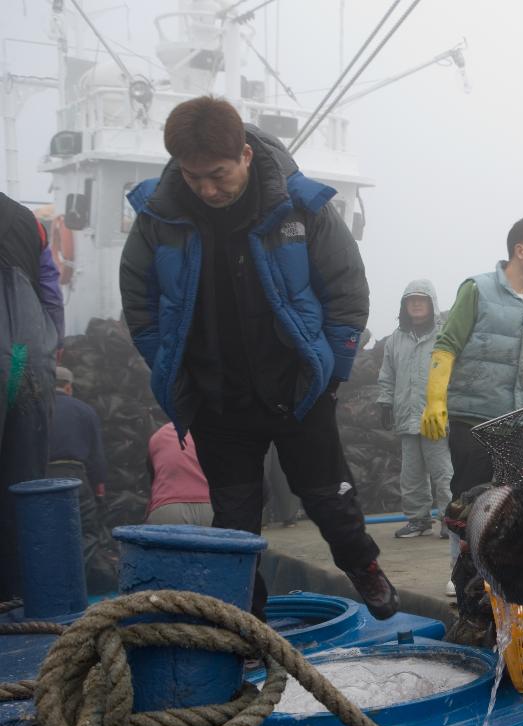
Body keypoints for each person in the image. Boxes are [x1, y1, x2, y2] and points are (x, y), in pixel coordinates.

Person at [118, 96, 398, 619]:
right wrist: (171, 367)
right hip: (217, 397)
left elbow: (347, 291)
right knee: (234, 520)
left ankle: (364, 568)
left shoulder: (300, 205)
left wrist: (332, 374)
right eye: (194, 177)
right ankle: (247, 622)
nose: (207, 189)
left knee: (329, 498)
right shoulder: (159, 216)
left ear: (245, 155)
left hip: (298, 388)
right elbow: (140, 303)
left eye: (218, 175)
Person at [420, 217, 523, 599]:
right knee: (468, 497)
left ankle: (500, 575)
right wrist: (435, 400)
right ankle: (460, 571)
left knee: (517, 499)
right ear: (520, 250)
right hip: (475, 417)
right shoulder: (477, 289)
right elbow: (446, 345)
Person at [0, 193, 61, 600]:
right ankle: (16, 593)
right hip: (25, 356)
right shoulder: (27, 219)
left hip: (16, 353)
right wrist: (49, 344)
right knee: (23, 482)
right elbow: (51, 292)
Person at [378, 280, 452, 539]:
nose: (417, 304)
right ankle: (418, 520)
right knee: (410, 474)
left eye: (422, 299)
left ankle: (449, 519)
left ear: (432, 304)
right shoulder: (395, 340)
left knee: (442, 472)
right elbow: (387, 375)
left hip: (434, 417)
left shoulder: (445, 335)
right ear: (404, 306)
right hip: (406, 415)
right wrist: (385, 402)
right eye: (411, 300)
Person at [47, 366, 114, 590]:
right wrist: (99, 491)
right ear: (68, 387)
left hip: (41, 477)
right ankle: (74, 585)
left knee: (47, 530)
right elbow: (97, 457)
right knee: (86, 531)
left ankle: (49, 586)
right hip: (76, 477)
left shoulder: (36, 408)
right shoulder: (85, 410)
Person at [146, 422, 214, 526]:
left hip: (167, 509)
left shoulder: (158, 436)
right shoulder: (212, 433)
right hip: (210, 508)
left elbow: (153, 478)